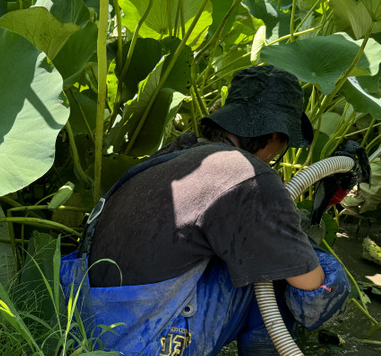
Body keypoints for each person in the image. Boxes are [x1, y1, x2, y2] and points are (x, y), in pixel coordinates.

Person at [60, 65, 350, 355]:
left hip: (88, 332)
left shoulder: (176, 155)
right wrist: (325, 269)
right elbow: (312, 294)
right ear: (275, 134)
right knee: (279, 273)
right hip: (145, 341)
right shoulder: (249, 175)